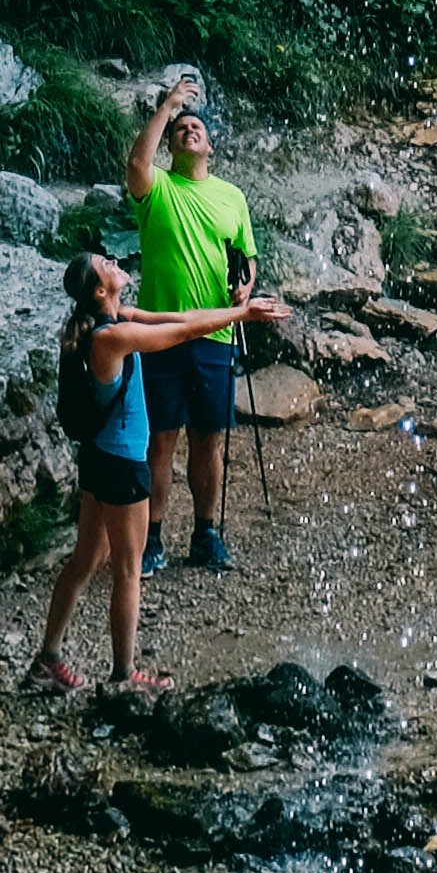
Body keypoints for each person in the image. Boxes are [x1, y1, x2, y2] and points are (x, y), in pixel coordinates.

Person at [28, 244, 250, 688]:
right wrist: (243, 318)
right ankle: (124, 676)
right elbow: (182, 337)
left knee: (85, 560)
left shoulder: (112, 323)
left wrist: (235, 309)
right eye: (104, 266)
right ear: (97, 291)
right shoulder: (111, 338)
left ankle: (47, 661)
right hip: (123, 466)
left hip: (97, 459)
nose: (113, 263)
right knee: (128, 572)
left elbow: (182, 321)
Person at [122, 65, 277, 571]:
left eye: (197, 127)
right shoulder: (158, 186)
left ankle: (206, 534)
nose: (190, 130)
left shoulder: (232, 197)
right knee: (161, 437)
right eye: (181, 128)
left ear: (210, 146)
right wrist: (167, 106)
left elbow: (248, 256)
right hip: (161, 331)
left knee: (209, 437)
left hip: (216, 329)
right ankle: (152, 538)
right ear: (171, 143)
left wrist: (246, 284)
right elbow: (134, 162)